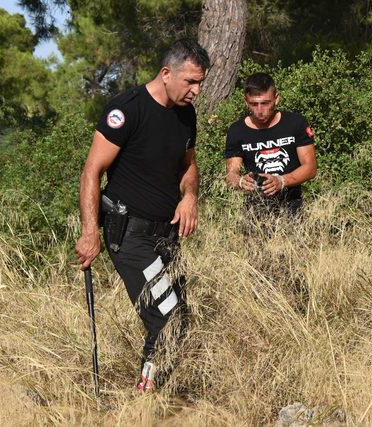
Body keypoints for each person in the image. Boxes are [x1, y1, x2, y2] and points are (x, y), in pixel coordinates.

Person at [74, 39, 209, 393]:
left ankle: (155, 391)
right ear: (166, 73)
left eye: (200, 84)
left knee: (179, 316)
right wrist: (90, 233)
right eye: (190, 82)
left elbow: (188, 165)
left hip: (168, 234)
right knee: (168, 316)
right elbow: (92, 171)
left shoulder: (185, 113)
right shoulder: (127, 109)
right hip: (130, 234)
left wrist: (190, 197)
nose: (196, 91)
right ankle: (147, 399)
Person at [225, 72, 317, 218]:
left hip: (291, 205)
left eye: (265, 103)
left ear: (276, 99)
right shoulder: (237, 130)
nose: (260, 111)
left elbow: (310, 168)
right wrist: (241, 181)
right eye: (254, 104)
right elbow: (231, 174)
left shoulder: (295, 123)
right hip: (255, 209)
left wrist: (282, 181)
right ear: (246, 102)